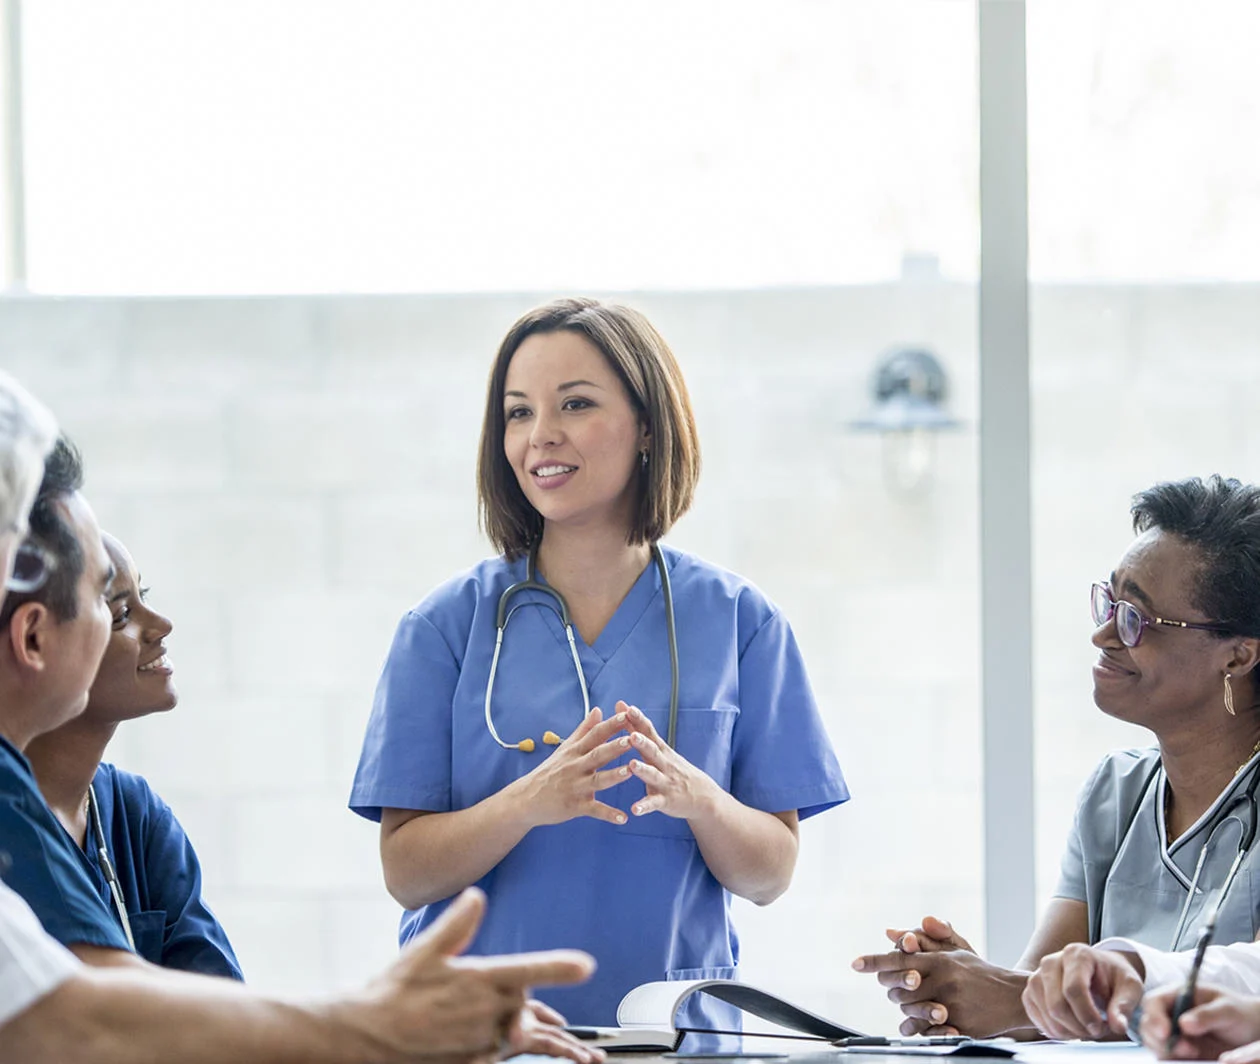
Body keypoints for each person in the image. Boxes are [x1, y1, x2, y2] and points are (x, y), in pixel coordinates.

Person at [0, 372, 601, 1063]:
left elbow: (196, 998)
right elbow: (80, 1016)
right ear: (33, 635)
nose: (152, 625)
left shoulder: (127, 811)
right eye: (108, 599)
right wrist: (380, 1022)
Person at [350, 297, 849, 1027]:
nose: (540, 437)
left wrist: (700, 798)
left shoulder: (742, 622)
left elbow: (769, 875)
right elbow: (407, 872)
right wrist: (527, 801)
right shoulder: (444, 628)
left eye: (574, 404)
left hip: (672, 1037)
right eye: (518, 413)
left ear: (648, 426)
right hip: (484, 1038)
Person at [854, 476, 1260, 1039]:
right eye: (1109, 602)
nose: (1102, 635)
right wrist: (966, 987)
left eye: (1135, 619)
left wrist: (1010, 997)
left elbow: (1248, 987)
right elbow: (1035, 1004)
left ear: (1238, 656)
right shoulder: (1115, 791)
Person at [25, 531, 241, 978]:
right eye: (121, 613)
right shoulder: (14, 824)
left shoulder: (133, 810)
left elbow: (217, 1001)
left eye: (143, 596)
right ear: (32, 641)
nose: (162, 625)